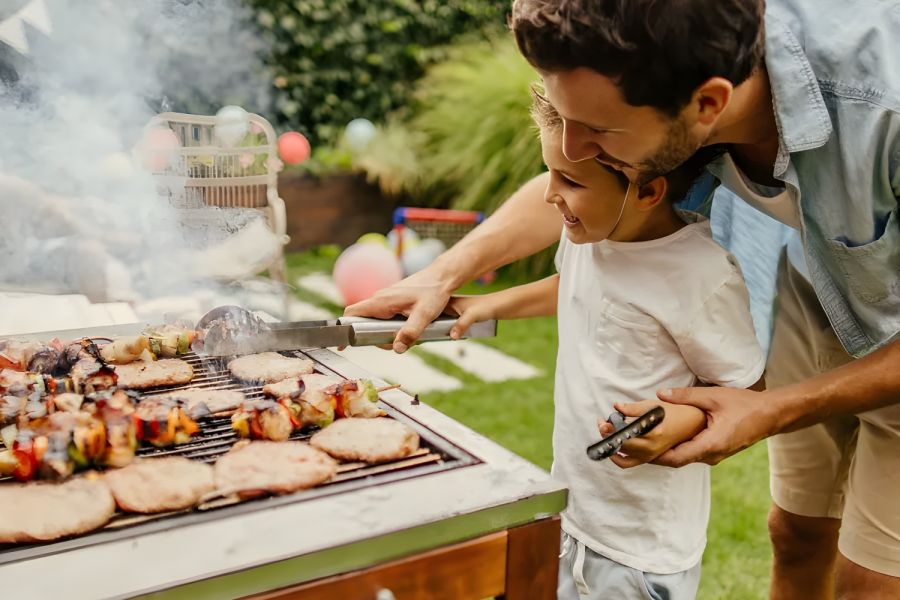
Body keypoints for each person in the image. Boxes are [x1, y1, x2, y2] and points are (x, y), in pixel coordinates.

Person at [346, 1, 900, 598]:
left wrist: (769, 410)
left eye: (600, 133)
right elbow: (579, 178)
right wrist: (445, 273)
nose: (574, 149)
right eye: (567, 119)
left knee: (867, 584)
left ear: (708, 105)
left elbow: (752, 392)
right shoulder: (676, 75)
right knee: (796, 532)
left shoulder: (883, 110)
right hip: (823, 274)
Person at [447, 91, 764, 600]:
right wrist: (491, 304)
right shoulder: (592, 235)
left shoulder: (700, 275)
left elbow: (747, 389)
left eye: (570, 181)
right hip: (573, 513)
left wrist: (676, 421)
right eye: (550, 172)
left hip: (639, 550)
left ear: (647, 191)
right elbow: (575, 291)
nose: (551, 195)